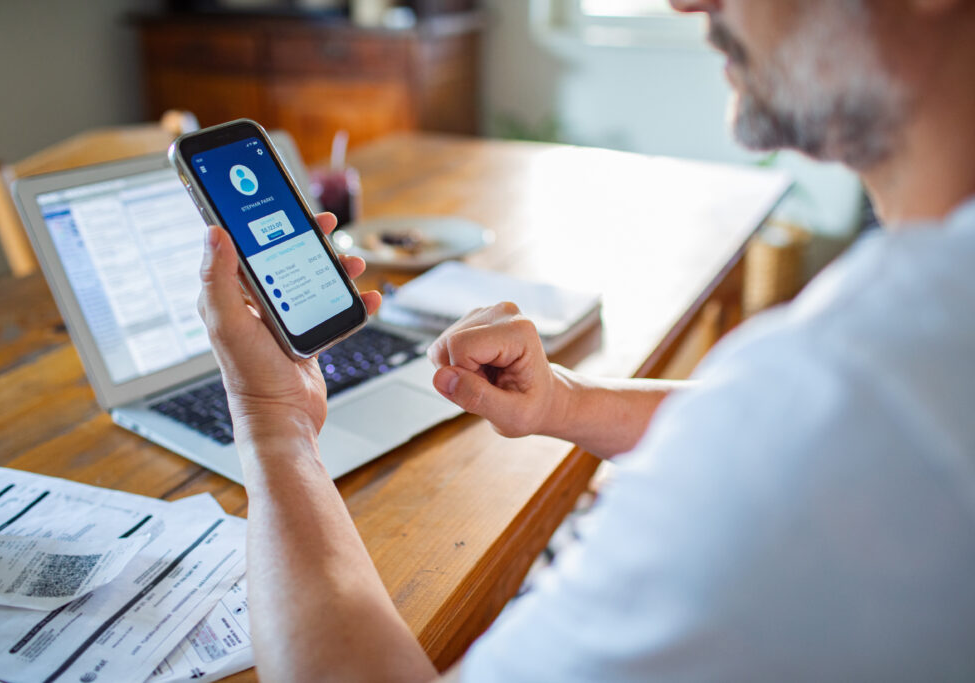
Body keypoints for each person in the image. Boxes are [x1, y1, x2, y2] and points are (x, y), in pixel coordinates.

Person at [196, 0, 975, 679]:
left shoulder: (852, 388)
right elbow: (773, 430)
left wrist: (273, 422)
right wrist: (570, 399)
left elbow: (796, 432)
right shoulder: (898, 355)